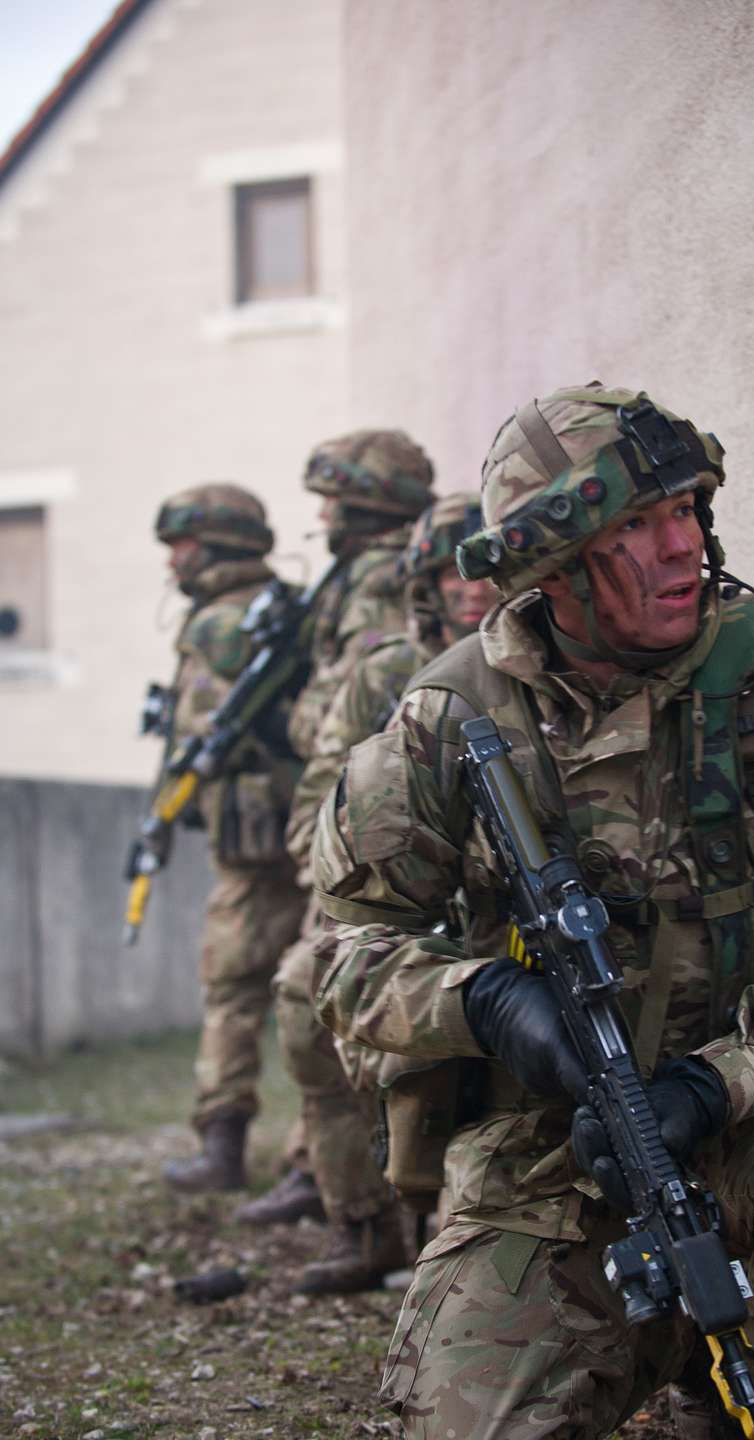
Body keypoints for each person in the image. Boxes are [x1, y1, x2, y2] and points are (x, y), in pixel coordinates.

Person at [307, 384, 754, 1440]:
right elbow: (345, 949)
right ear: (552, 565)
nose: (683, 543)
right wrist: (486, 1000)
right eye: (639, 526)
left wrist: (719, 1080)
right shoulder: (454, 716)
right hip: (557, 1142)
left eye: (691, 508)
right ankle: (656, 1326)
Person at [236, 430, 440, 1295]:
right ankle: (344, 1197)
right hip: (353, 830)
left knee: (335, 1014)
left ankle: (379, 1217)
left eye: (331, 503)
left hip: (380, 846)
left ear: (362, 504)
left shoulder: (384, 593)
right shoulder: (357, 586)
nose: (319, 519)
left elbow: (359, 729)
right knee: (312, 1010)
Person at [154, 483, 307, 1193]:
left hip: (266, 844)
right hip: (276, 836)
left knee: (239, 989)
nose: (172, 561)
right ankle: (302, 1159)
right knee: (291, 993)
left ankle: (234, 1149)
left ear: (216, 545)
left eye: (181, 546)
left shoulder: (227, 623)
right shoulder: (266, 614)